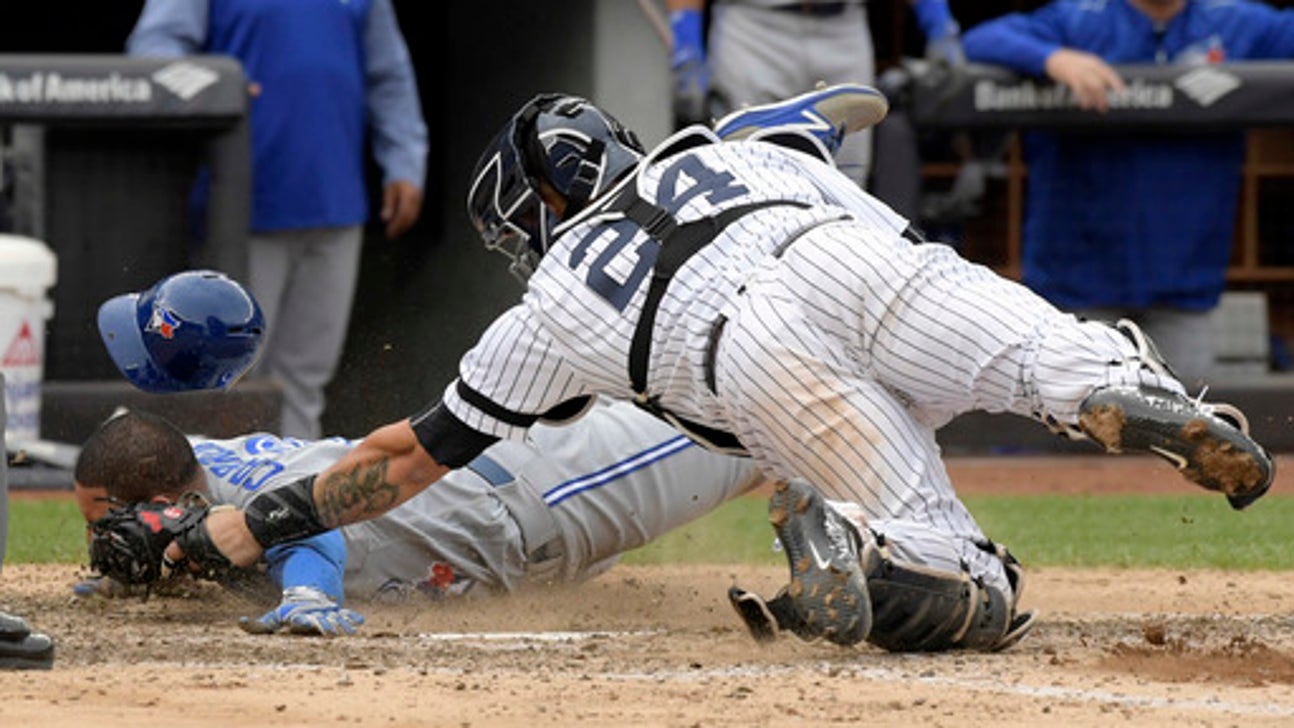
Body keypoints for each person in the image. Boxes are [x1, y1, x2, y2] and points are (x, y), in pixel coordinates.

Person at [94, 85, 1272, 651]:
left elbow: (404, 459)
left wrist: (241, 532)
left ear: (545, 202)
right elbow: (837, 109)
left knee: (960, 565)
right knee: (1035, 350)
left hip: (755, 363)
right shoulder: (730, 143)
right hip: (858, 254)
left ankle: (893, 558)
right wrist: (785, 119)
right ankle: (1118, 390)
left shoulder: (553, 298)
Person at [77, 404, 1032, 652]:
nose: (102, 542)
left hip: (549, 492)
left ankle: (928, 553)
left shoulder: (267, 495)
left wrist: (313, 603)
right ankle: (847, 521)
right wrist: (131, 564)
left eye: (109, 525)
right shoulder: (179, 460)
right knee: (772, 433)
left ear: (165, 495)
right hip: (516, 529)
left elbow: (305, 537)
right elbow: (143, 459)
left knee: (764, 425)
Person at [126, 0, 429, 438]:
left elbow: (389, 74)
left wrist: (404, 161)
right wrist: (214, 81)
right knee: (228, 374)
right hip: (240, 209)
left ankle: (292, 495)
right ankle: (211, 494)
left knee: (304, 379)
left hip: (334, 203)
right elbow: (153, 49)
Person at [961, 1, 1294, 386]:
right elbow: (978, 41)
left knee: (1188, 433)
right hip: (1077, 288)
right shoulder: (1080, 19)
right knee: (1070, 431)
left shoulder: (1232, 21)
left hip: (1184, 289)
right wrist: (1051, 58)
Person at [666, 0, 966, 187]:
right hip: (754, 29)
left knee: (846, 184)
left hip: (844, 27)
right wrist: (686, 40)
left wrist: (936, 17)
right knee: (751, 177)